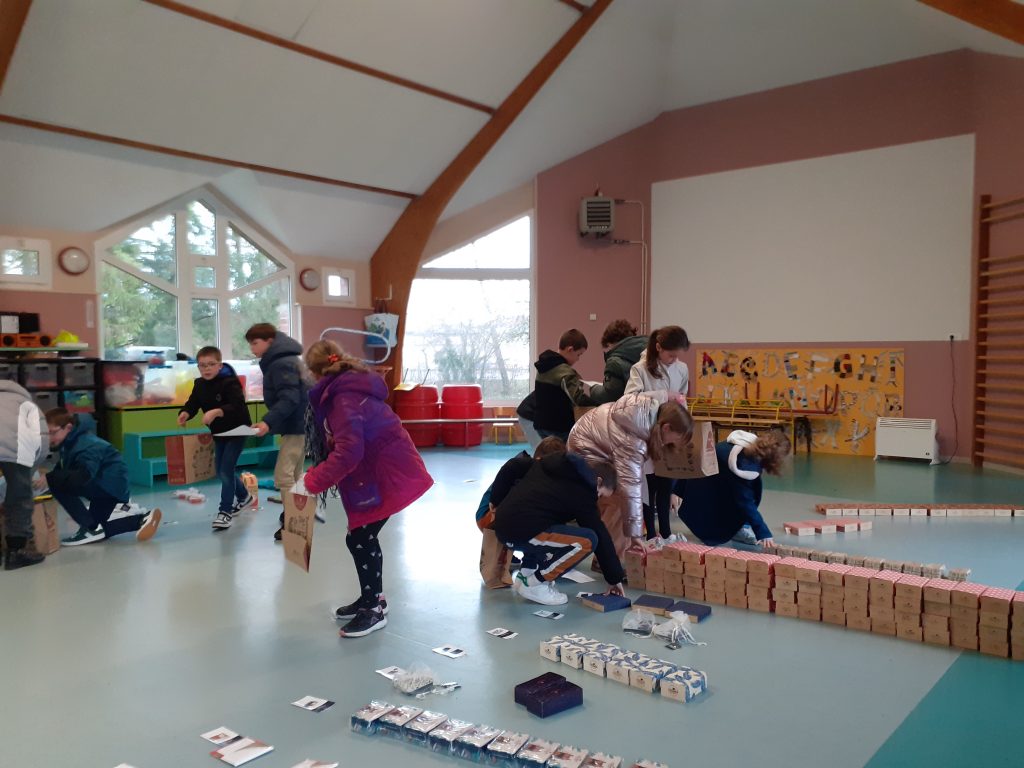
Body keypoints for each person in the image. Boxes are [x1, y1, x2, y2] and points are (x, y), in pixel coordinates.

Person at [301, 340, 433, 639]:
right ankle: (373, 598)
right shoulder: (345, 390)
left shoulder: (343, 399)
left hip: (387, 473)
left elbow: (349, 452)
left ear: (314, 373)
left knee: (361, 537)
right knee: (360, 537)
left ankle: (373, 609)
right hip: (381, 470)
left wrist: (312, 481)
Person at [567, 392, 693, 560]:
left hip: (587, 446)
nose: (667, 445)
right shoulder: (634, 440)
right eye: (671, 440)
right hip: (586, 456)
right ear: (666, 428)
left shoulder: (647, 411)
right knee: (620, 504)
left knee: (619, 505)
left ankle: (608, 557)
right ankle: (611, 559)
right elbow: (630, 487)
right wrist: (635, 535)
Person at [493, 452, 624, 606]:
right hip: (521, 532)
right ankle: (535, 584)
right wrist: (614, 578)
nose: (598, 499)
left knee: (549, 523)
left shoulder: (549, 463)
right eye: (600, 494)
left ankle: (526, 574)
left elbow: (513, 465)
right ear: (598, 481)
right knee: (588, 540)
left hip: (503, 525)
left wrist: (496, 499)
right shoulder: (584, 491)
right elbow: (599, 533)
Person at [44, 408, 161, 546]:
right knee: (97, 528)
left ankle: (90, 529)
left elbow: (83, 475)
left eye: (52, 432)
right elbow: (65, 466)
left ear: (68, 427)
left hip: (107, 486)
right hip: (109, 485)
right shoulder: (71, 442)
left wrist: (50, 479)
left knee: (56, 483)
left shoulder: (85, 444)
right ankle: (141, 520)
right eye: (46, 433)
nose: (49, 438)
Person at [624, 325, 691, 543]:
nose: (674, 359)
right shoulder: (640, 369)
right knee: (648, 487)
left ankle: (666, 532)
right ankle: (651, 535)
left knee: (666, 484)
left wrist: (681, 406)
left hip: (669, 436)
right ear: (659, 347)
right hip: (646, 432)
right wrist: (663, 395)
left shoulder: (681, 369)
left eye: (677, 356)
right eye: (671, 355)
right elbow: (629, 399)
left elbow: (683, 397)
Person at [245, 323, 310, 541]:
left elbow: (289, 398)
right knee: (294, 474)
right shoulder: (286, 359)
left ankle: (294, 522)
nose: (252, 348)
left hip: (297, 426)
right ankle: (296, 516)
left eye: (255, 343)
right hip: (301, 424)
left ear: (270, 342)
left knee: (283, 476)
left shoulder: (281, 363)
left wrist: (267, 422)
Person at [177, 346, 253, 531]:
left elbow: (237, 405)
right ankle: (244, 496)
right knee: (220, 470)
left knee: (226, 470)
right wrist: (185, 413)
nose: (207, 369)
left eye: (211, 364)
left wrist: (217, 411)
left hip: (237, 430)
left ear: (220, 365)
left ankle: (225, 512)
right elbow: (193, 403)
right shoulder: (199, 384)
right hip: (219, 432)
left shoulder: (230, 382)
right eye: (202, 365)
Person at [476, 436, 566, 589]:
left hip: (497, 515)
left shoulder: (528, 466)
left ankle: (516, 558)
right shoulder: (524, 471)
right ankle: (527, 563)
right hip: (489, 518)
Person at [674, 429, 791, 548]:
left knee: (749, 492)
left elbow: (695, 465)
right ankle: (732, 529)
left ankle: (740, 528)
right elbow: (746, 503)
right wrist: (763, 533)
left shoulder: (742, 442)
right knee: (746, 498)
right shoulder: (744, 466)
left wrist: (676, 490)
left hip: (704, 486)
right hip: (707, 497)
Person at [0, 380, 49, 570]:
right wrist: (30, 471)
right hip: (17, 453)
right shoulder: (26, 404)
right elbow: (42, 441)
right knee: (19, 499)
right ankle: (16, 552)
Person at [531, 328, 596, 442]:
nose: (578, 359)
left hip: (541, 424)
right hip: (558, 426)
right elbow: (578, 399)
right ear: (570, 349)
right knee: (564, 453)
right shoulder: (564, 371)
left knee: (550, 452)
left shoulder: (545, 365)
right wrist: (598, 403)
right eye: (579, 354)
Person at [588, 319, 647, 405]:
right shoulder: (650, 349)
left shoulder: (614, 362)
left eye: (608, 346)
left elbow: (609, 396)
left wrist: (593, 389)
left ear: (611, 343)